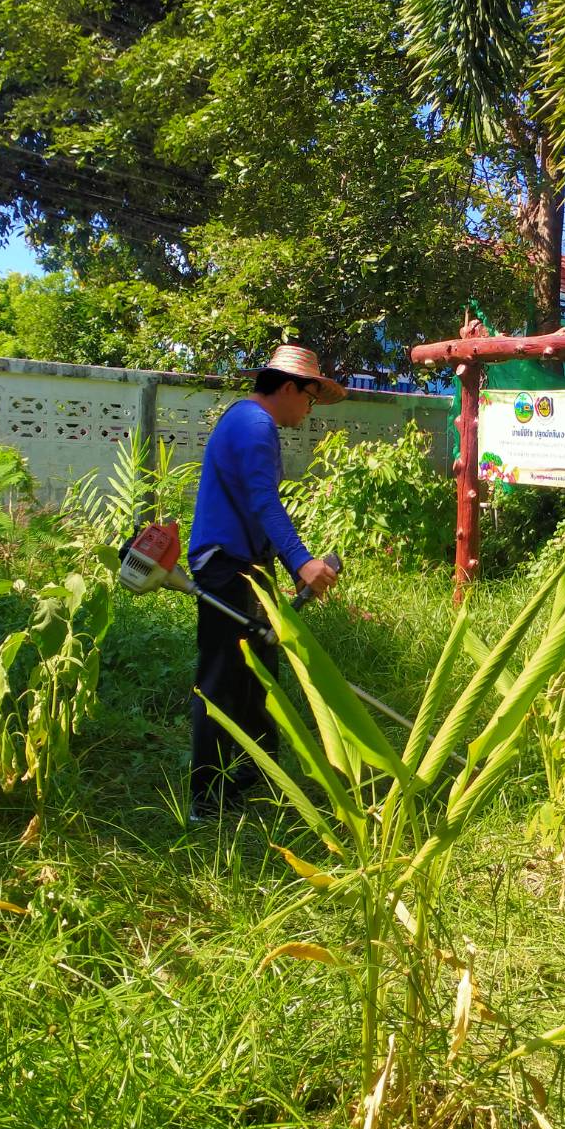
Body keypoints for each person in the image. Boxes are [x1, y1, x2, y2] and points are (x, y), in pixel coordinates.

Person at [187, 343, 344, 817]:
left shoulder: (245, 421)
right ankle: (206, 799)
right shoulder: (256, 425)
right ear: (290, 387)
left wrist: (282, 565)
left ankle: (257, 778)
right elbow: (263, 502)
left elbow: (257, 510)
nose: (309, 409)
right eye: (310, 398)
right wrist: (301, 562)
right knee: (221, 679)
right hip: (226, 567)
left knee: (260, 676)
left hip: (246, 565)